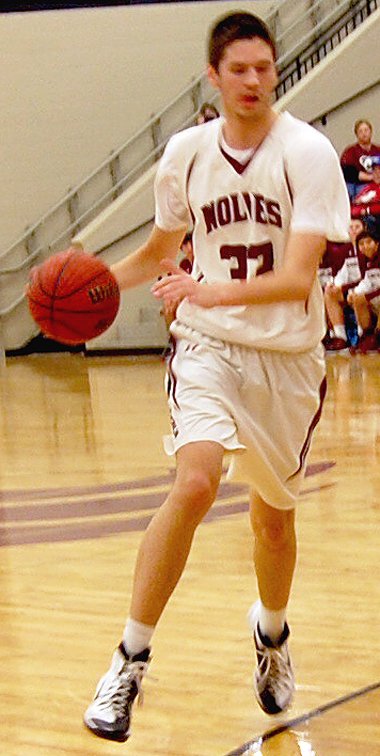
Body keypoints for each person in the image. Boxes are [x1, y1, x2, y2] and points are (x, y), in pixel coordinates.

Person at [83, 11, 350, 743]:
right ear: (215, 77)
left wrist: (206, 289)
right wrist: (90, 283)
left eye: (266, 68)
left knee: (272, 519)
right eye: (241, 69)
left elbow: (297, 276)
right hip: (208, 348)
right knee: (196, 481)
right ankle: (128, 661)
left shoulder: (308, 152)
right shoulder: (186, 153)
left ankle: (270, 635)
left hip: (288, 360)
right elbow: (159, 252)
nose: (256, 80)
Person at [323, 217, 365, 352]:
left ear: (364, 229)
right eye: (350, 228)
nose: (353, 231)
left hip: (366, 288)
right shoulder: (344, 250)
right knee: (329, 293)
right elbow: (342, 273)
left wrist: (346, 287)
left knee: (357, 294)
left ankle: (362, 336)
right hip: (350, 287)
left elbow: (367, 278)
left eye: (357, 227)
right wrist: (334, 284)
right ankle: (340, 337)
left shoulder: (369, 247)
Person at [346, 229, 380, 353]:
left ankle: (378, 335)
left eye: (369, 242)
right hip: (376, 297)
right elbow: (366, 282)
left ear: (377, 244)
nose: (365, 246)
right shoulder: (366, 260)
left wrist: (368, 296)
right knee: (357, 298)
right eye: (361, 244)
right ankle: (367, 335)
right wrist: (353, 293)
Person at [340, 119, 380, 201]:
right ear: (357, 134)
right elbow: (347, 172)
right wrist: (370, 177)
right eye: (360, 131)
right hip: (358, 186)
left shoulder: (377, 150)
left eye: (366, 130)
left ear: (371, 132)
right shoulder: (350, 151)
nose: (364, 133)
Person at [351, 155, 380, 238]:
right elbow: (354, 208)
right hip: (363, 221)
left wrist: (368, 210)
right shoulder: (368, 188)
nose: (377, 174)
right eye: (374, 170)